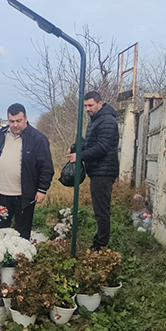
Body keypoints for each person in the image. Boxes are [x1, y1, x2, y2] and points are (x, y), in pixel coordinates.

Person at [0, 103, 54, 239]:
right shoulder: (1, 135)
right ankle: (1, 252)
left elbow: (46, 167)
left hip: (24, 196)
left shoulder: (38, 139)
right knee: (1, 231)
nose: (15, 125)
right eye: (11, 121)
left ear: (26, 118)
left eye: (19, 121)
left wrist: (42, 189)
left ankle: (22, 252)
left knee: (22, 233)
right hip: (2, 193)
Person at [67, 91, 119, 250]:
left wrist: (80, 156)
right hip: (97, 170)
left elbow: (102, 147)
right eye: (85, 106)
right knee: (98, 209)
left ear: (100, 103)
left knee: (101, 210)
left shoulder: (107, 121)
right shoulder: (96, 120)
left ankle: (100, 246)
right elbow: (91, 142)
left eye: (90, 105)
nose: (87, 109)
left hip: (104, 171)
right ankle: (99, 242)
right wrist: (76, 147)